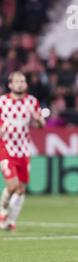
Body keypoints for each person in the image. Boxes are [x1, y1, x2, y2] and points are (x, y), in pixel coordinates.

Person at [0, 71, 46, 231]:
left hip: (23, 150)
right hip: (5, 148)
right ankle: (2, 211)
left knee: (21, 189)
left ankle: (10, 221)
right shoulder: (2, 102)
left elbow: (41, 125)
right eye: (17, 81)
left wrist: (39, 120)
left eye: (23, 81)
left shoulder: (32, 102)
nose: (20, 83)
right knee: (12, 186)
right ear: (10, 85)